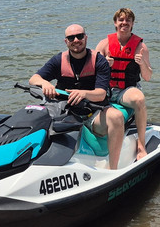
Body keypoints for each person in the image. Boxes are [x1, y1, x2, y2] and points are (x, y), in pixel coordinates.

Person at [28, 24, 128, 169]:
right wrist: (45, 84)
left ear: (85, 38)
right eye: (71, 38)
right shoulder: (58, 60)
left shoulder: (99, 61)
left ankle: (113, 170)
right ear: (66, 41)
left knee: (116, 117)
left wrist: (84, 93)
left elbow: (101, 94)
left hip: (93, 113)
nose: (76, 40)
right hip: (64, 112)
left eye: (79, 36)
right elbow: (34, 78)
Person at [94, 8, 152, 162]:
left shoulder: (141, 47)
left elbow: (147, 77)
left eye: (128, 20)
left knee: (139, 99)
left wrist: (142, 64)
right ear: (115, 23)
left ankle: (141, 146)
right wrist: (104, 65)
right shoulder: (104, 44)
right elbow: (91, 71)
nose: (124, 23)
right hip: (105, 89)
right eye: (121, 20)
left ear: (132, 24)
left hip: (126, 90)